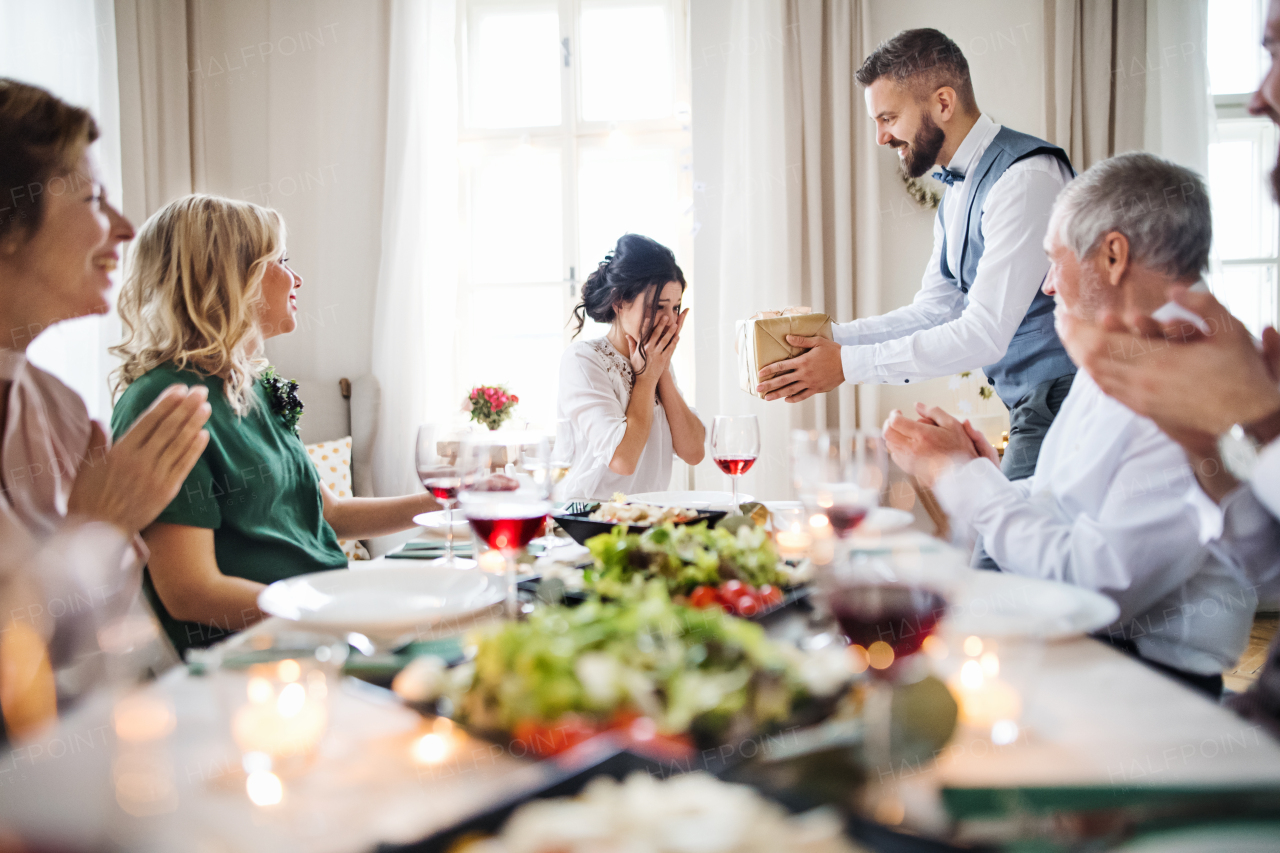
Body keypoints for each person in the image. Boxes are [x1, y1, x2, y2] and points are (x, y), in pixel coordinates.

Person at [883, 153, 1254, 698]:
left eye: (1054, 261)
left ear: (1112, 255)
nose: (1050, 285)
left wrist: (964, 479)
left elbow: (1093, 587)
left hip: (1138, 686)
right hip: (1089, 657)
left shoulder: (1187, 378)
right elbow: (1070, 501)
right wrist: (988, 473)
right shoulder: (1123, 350)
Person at [1056, 0, 1280, 729]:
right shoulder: (1170, 355)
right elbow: (1260, 558)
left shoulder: (1185, 355)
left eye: (1275, 51)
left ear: (1113, 255)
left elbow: (1107, 583)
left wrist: (1255, 423)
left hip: (1152, 686)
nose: (1259, 94)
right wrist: (1218, 450)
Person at [109, 194, 441, 655]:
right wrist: (337, 616)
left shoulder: (254, 383)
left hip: (321, 622)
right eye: (281, 260)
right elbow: (190, 592)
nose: (296, 278)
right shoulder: (166, 401)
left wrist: (446, 499)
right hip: (259, 650)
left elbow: (327, 514)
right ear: (230, 276)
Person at [756, 28, 1077, 486]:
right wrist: (823, 342)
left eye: (888, 117)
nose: (881, 138)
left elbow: (984, 333)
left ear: (943, 103)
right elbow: (934, 311)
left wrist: (845, 365)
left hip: (1068, 402)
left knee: (1003, 555)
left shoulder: (1024, 178)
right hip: (1032, 403)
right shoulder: (954, 194)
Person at [0, 79, 212, 736]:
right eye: (93, 198)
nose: (124, 226)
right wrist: (93, 526)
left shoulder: (57, 407)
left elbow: (98, 662)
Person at [557, 234, 704, 501]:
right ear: (620, 302)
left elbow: (694, 452)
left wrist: (663, 374)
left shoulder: (657, 362)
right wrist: (646, 380)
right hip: (589, 522)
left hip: (646, 522)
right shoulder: (583, 360)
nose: (670, 320)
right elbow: (623, 459)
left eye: (676, 307)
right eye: (657, 307)